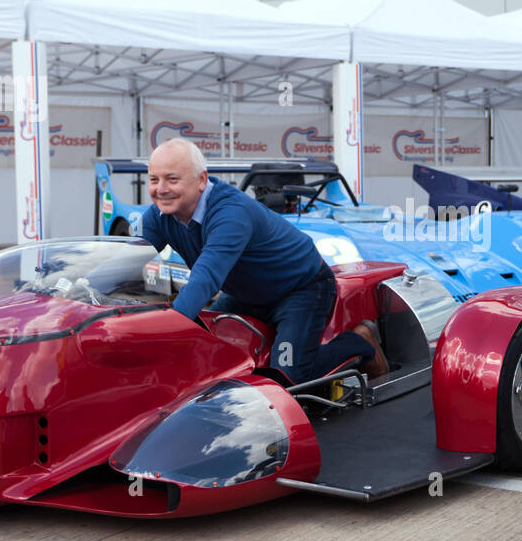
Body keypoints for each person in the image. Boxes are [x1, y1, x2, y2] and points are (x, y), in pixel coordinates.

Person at [138, 138, 387, 383]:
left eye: (172, 179)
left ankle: (360, 344)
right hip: (246, 294)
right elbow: (128, 258)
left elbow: (206, 278)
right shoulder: (159, 215)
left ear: (201, 180)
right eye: (154, 179)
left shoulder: (230, 213)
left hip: (301, 289)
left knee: (289, 376)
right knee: (210, 347)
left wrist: (166, 331)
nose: (161, 188)